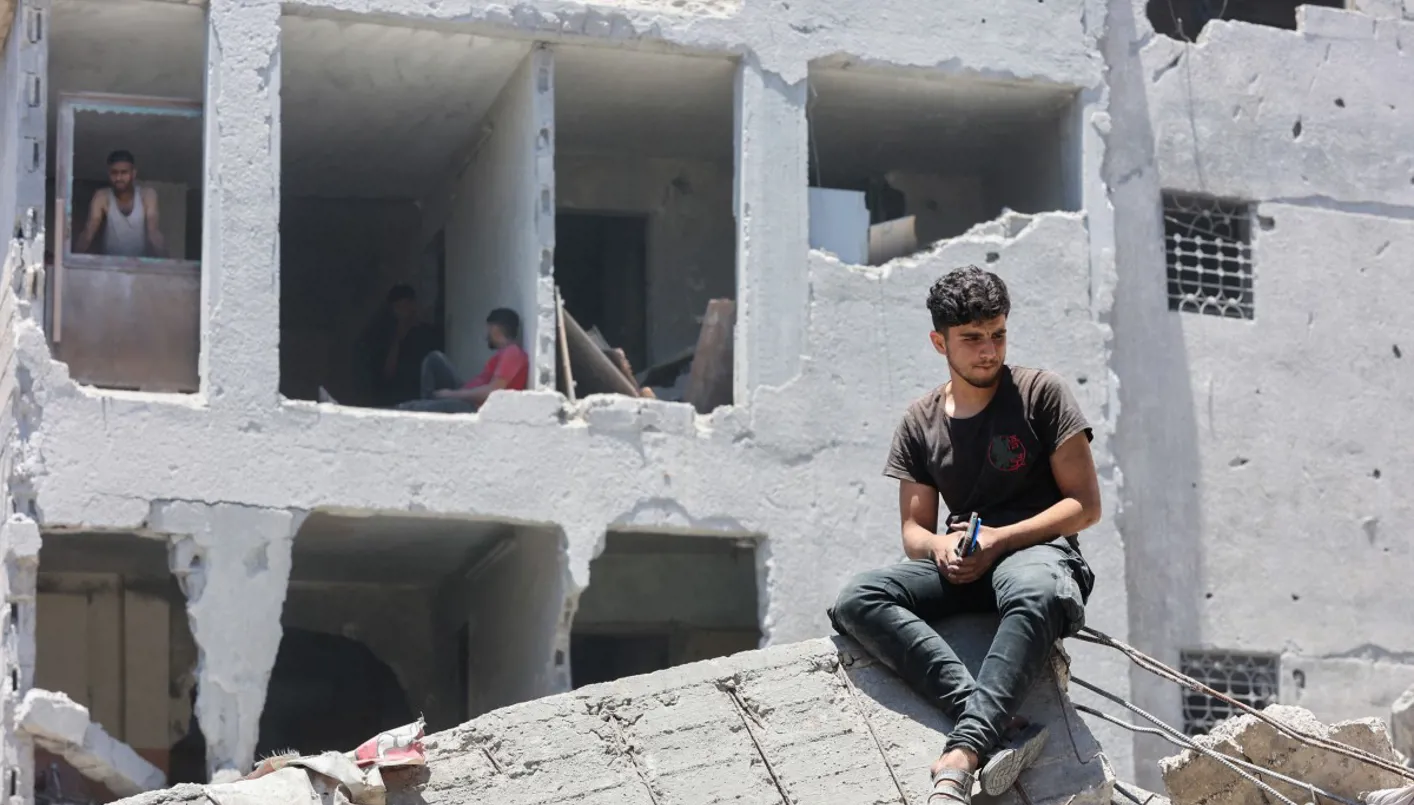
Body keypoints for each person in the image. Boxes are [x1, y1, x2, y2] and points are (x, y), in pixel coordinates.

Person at [828, 266, 1101, 804]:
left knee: (1037, 591)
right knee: (858, 598)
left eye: (998, 334)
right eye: (972, 338)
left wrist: (1003, 538)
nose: (989, 350)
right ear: (940, 342)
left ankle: (964, 753)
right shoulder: (920, 421)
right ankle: (997, 725)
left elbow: (1084, 507)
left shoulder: (1041, 393)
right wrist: (942, 547)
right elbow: (914, 531)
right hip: (967, 563)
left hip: (1036, 553)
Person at [396, 307, 528, 413]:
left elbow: (492, 392)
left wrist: (451, 394)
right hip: (466, 397)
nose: (486, 335)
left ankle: (427, 407)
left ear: (495, 329)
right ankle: (429, 404)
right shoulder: (506, 353)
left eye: (488, 328)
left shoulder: (512, 352)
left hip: (474, 406)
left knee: (407, 408)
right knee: (435, 359)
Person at [74, 149, 167, 258]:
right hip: (109, 264)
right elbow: (88, 232)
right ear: (109, 174)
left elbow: (154, 233)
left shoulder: (146, 195)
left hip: (139, 263)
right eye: (114, 173)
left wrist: (168, 263)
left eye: (124, 172)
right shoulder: (102, 197)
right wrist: (71, 259)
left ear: (133, 173)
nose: (118, 178)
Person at [362, 284, 440, 407]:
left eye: (407, 305)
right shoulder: (383, 335)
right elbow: (386, 373)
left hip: (420, 400)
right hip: (392, 399)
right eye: (399, 307)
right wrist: (398, 339)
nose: (404, 311)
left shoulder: (428, 333)